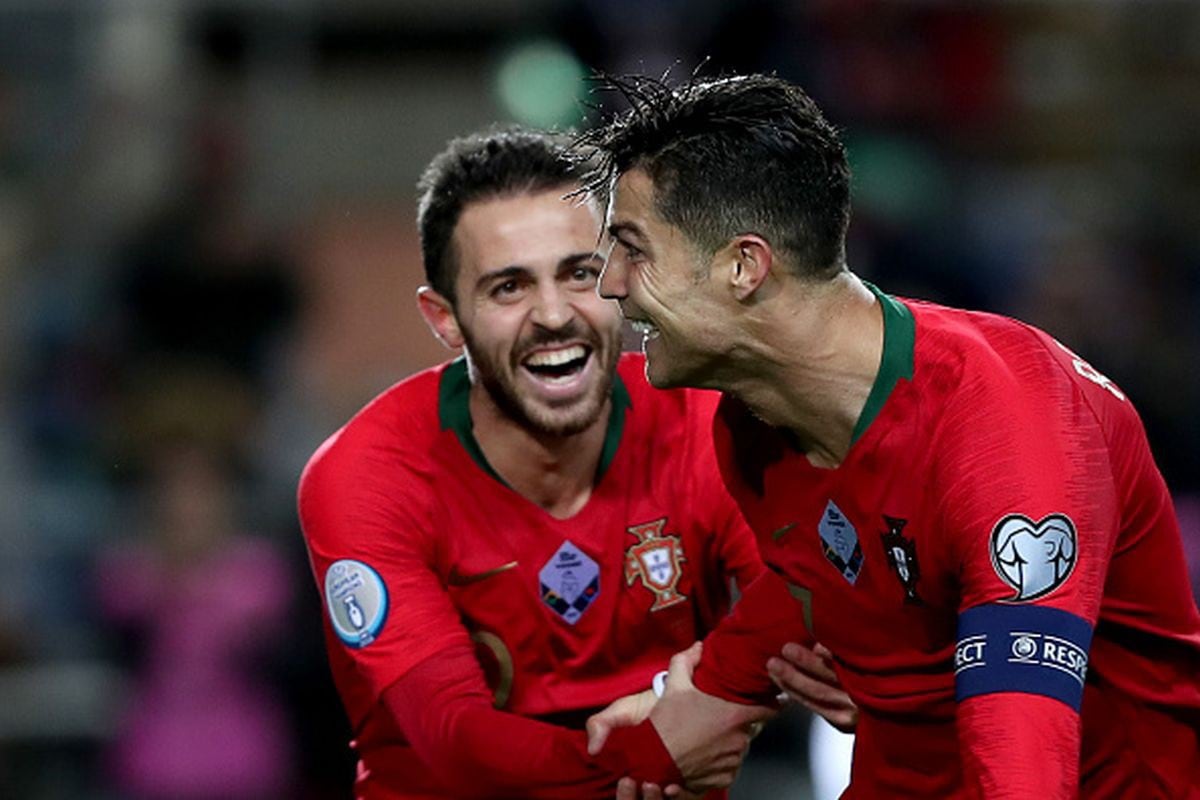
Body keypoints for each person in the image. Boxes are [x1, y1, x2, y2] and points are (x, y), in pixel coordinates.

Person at [579, 73, 1200, 798]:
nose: (610, 283)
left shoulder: (1010, 435)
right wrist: (701, 700)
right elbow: (822, 571)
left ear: (744, 266)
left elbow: (1023, 765)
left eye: (633, 248)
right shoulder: (753, 429)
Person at [297, 128, 783, 799]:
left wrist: (718, 692)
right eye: (508, 287)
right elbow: (453, 737)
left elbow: (798, 608)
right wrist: (657, 751)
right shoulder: (366, 477)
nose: (554, 314)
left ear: (622, 275)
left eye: (579, 273)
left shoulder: (707, 422)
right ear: (445, 319)